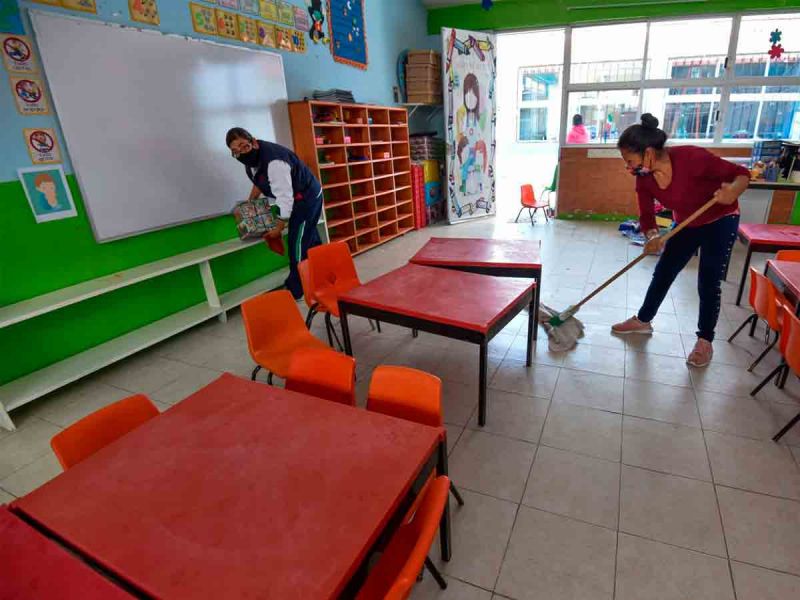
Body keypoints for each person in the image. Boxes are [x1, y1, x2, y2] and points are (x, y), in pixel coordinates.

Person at [611, 114, 750, 368]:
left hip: (721, 220)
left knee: (708, 281)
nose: (628, 168)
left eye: (630, 161)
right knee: (664, 271)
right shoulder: (644, 178)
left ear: (648, 153)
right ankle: (643, 321)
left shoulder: (691, 158)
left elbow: (741, 174)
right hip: (687, 223)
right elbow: (646, 214)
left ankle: (705, 340)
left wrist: (733, 191)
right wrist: (653, 236)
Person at [226, 127, 322, 299]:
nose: (241, 153)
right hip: (294, 198)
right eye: (235, 151)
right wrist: (249, 204)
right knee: (309, 238)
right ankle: (322, 276)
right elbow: (260, 181)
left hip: (306, 198)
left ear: (254, 142)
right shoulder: (253, 159)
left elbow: (285, 199)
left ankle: (296, 290)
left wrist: (278, 227)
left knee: (297, 244)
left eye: (244, 146)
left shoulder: (274, 162)